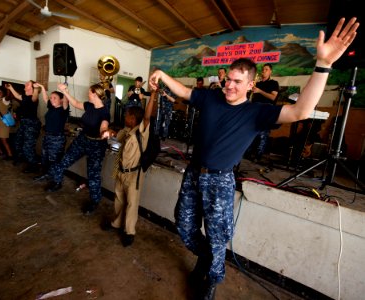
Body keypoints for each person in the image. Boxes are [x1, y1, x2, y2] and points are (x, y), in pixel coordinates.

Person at [148, 17, 359, 300]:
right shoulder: (210, 98)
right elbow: (185, 91)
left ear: (251, 83)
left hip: (220, 180)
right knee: (184, 226)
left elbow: (301, 111)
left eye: (237, 82)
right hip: (193, 174)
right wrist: (161, 73)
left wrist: (323, 65)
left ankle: (212, 277)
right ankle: (209, 257)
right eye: (227, 80)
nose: (229, 86)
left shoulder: (256, 113)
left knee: (218, 236)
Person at [100, 90, 156, 247]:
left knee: (132, 203)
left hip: (134, 175)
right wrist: (109, 133)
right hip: (121, 172)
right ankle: (117, 223)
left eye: (127, 115)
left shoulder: (141, 132)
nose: (124, 117)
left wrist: (152, 96)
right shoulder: (126, 131)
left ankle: (129, 231)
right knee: (119, 199)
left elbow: (146, 116)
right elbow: (116, 136)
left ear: (133, 118)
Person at [45, 83, 110, 215]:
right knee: (64, 161)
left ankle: (94, 201)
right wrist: (65, 92)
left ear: (95, 94)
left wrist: (105, 132)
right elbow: (75, 103)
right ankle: (57, 182)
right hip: (83, 139)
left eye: (89, 92)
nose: (88, 94)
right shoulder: (89, 105)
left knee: (93, 175)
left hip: (96, 145)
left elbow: (104, 126)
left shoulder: (104, 112)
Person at [33, 83, 69, 181]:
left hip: (57, 139)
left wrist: (64, 90)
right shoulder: (52, 108)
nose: (51, 99)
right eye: (51, 97)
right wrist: (42, 87)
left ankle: (57, 182)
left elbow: (66, 100)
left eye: (54, 98)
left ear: (61, 100)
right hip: (47, 137)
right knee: (45, 158)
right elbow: (45, 98)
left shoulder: (63, 109)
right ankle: (46, 175)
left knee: (55, 161)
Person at [246, 63, 280, 161]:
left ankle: (258, 156)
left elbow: (273, 97)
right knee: (251, 133)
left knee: (263, 135)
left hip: (266, 112)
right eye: (263, 69)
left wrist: (259, 91)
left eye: (266, 69)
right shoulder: (258, 83)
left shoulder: (273, 83)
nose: (264, 71)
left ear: (270, 72)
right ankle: (247, 153)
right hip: (254, 111)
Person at [6, 81, 41, 173]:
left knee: (28, 147)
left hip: (31, 124)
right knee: (17, 142)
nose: (25, 84)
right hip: (24, 123)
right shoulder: (24, 97)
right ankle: (22, 158)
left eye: (28, 84)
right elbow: (17, 96)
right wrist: (10, 88)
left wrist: (36, 88)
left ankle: (34, 165)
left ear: (32, 87)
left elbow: (35, 97)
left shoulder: (34, 98)